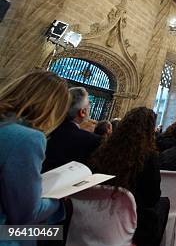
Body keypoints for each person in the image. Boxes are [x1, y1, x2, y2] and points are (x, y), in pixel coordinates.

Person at [0, 71, 70, 245]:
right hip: (5, 235)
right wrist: (59, 202)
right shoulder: (27, 138)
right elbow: (26, 215)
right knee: (55, 233)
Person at [90, 107, 169, 246]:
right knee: (163, 204)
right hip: (131, 218)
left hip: (95, 211)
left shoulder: (104, 148)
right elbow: (152, 196)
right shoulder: (149, 157)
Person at [43, 87, 101, 171]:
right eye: (89, 103)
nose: (90, 106)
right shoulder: (92, 141)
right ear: (82, 112)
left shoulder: (45, 131)